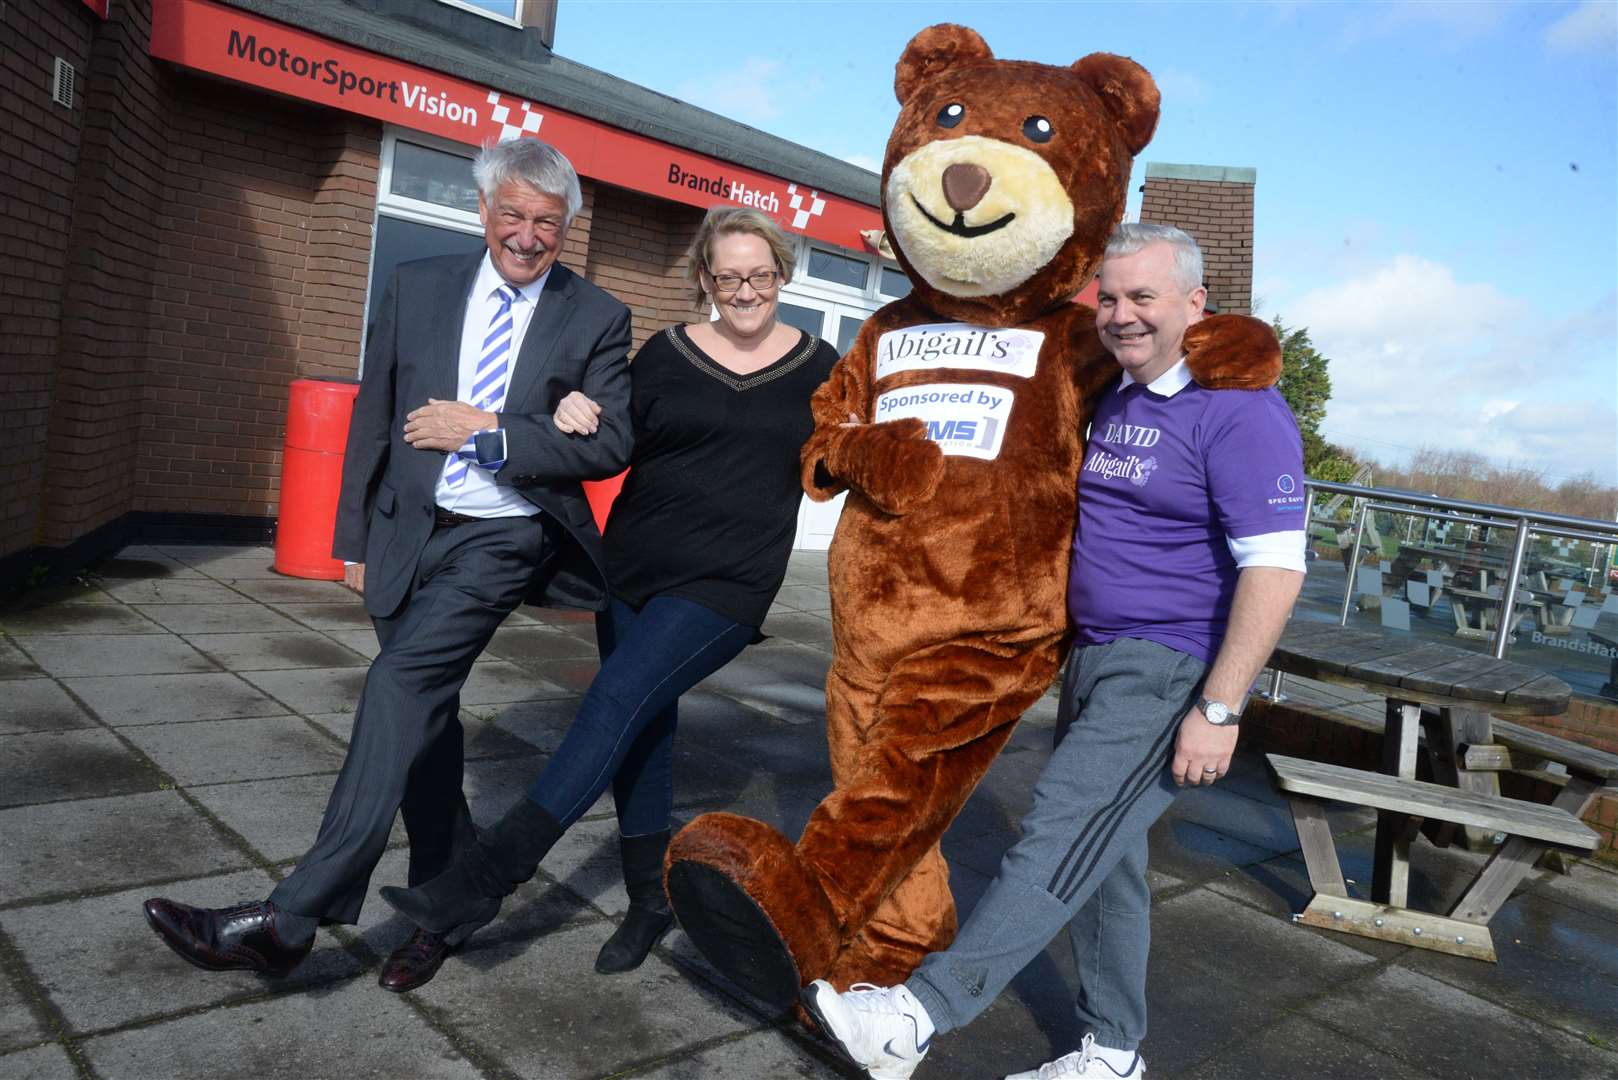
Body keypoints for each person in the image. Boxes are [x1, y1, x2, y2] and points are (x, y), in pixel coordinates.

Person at [802, 223, 1307, 1080]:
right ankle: (1112, 1052)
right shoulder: (1123, 393)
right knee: (1106, 863)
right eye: (1108, 298)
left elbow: (1277, 566)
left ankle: (916, 1019)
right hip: (1095, 656)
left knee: (1057, 832)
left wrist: (1219, 708)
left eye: (1143, 297)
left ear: (1195, 303)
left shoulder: (1240, 410)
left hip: (1170, 663)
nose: (1121, 315)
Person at [143, 137, 634, 993]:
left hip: (499, 539)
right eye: (512, 215)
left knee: (397, 690)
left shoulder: (595, 316)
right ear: (483, 210)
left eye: (546, 223)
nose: (527, 236)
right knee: (426, 730)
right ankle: (454, 905)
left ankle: (289, 920)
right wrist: (354, 543)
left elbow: (613, 442)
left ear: (567, 229)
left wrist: (486, 431)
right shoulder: (419, 285)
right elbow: (374, 414)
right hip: (404, 531)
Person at [375, 205, 841, 979]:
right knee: (643, 732)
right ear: (704, 280)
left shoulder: (826, 369)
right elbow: (606, 428)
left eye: (760, 274)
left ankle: (487, 878)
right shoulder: (663, 353)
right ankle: (648, 898)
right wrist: (568, 406)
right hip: (633, 565)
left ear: (783, 274)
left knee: (615, 701)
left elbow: (854, 455)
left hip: (729, 581)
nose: (746, 289)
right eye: (728, 276)